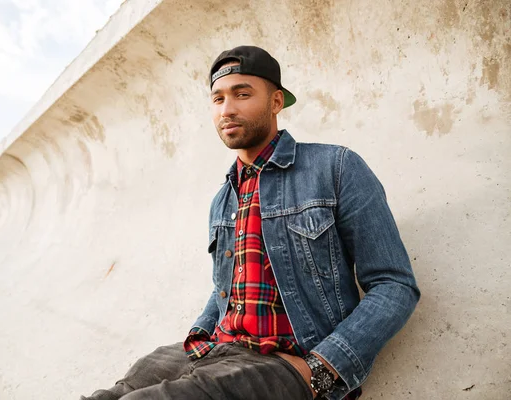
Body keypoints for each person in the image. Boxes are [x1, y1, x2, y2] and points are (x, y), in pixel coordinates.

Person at [81, 45, 420, 400]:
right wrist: (201, 332)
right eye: (218, 99)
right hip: (213, 351)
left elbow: (394, 284)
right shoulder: (223, 199)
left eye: (242, 94)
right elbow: (225, 287)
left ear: (276, 102)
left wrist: (321, 367)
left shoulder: (335, 168)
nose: (227, 109)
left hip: (284, 362)